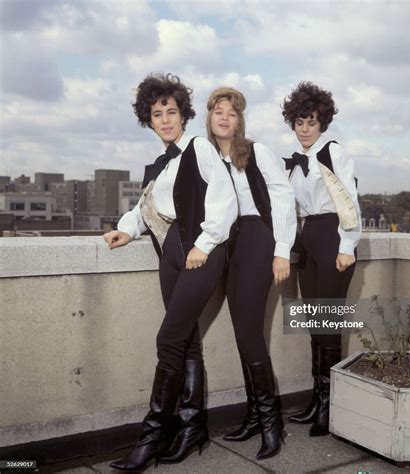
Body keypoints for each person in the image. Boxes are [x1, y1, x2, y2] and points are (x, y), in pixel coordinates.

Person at [104, 73, 237, 471]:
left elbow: (225, 200)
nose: (164, 119)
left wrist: (204, 244)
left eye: (171, 111)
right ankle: (192, 426)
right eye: (156, 113)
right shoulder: (160, 164)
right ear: (149, 119)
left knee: (168, 339)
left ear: (184, 115)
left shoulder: (199, 147)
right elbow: (146, 208)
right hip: (170, 254)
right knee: (187, 342)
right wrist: (125, 230)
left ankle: (151, 437)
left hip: (199, 251)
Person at [206, 87, 296, 459]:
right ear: (209, 118)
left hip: (259, 237)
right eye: (218, 112)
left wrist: (281, 251)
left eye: (232, 113)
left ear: (240, 120)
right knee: (244, 333)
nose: (225, 118)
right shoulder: (208, 158)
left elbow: (282, 197)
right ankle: (254, 417)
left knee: (248, 330)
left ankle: (270, 422)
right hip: (230, 243)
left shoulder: (257, 152)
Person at [281, 82, 361, 436]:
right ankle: (317, 399)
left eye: (311, 122)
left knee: (328, 322)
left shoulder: (332, 152)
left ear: (322, 123)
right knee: (313, 322)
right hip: (308, 237)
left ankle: (332, 406)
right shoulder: (295, 161)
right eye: (299, 121)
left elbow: (350, 201)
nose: (304, 128)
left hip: (332, 236)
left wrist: (347, 245)